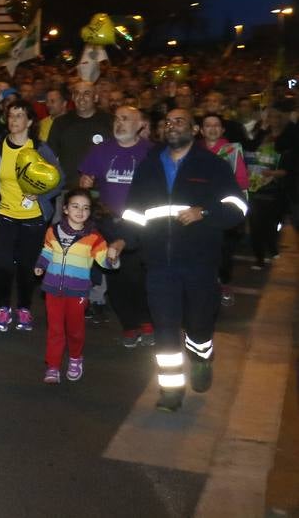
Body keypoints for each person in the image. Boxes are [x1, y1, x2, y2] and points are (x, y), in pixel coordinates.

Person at [121, 108, 247, 411]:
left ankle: (202, 354)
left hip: (199, 262)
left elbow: (238, 207)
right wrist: (121, 241)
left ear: (194, 129)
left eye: (180, 121)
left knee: (199, 323)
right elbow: (134, 212)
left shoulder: (212, 165)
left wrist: (204, 213)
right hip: (158, 263)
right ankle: (171, 391)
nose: (172, 125)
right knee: (164, 328)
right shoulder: (149, 165)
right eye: (168, 122)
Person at [0, 98, 62, 332]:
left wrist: (43, 195)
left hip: (33, 218)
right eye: (11, 115)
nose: (13, 120)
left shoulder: (40, 149)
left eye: (19, 116)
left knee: (27, 266)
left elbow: (59, 180)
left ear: (29, 121)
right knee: (3, 265)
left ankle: (24, 308)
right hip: (4, 214)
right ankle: (4, 308)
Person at [78, 105, 155, 347]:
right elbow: (85, 182)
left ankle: (146, 320)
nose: (119, 123)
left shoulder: (151, 153)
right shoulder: (101, 150)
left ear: (140, 125)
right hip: (108, 221)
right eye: (117, 119)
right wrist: (85, 182)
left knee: (139, 274)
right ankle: (129, 325)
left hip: (141, 221)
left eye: (126, 119)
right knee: (116, 275)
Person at [34, 190, 123, 383]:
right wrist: (41, 265)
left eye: (85, 208)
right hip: (52, 290)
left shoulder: (94, 237)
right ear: (65, 209)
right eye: (75, 206)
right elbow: (47, 250)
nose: (80, 211)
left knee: (75, 330)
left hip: (77, 293)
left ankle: (75, 358)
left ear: (90, 212)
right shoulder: (53, 231)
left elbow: (103, 260)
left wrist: (111, 258)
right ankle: (53, 366)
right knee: (55, 329)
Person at [200, 113, 249, 305]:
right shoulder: (194, 150)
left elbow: (242, 181)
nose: (212, 129)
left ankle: (224, 284)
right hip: (200, 207)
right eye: (207, 125)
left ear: (222, 130)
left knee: (224, 250)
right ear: (201, 130)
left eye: (216, 125)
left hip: (224, 208)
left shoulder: (231, 151)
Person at [243, 105, 293, 270]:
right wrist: (262, 131)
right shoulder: (259, 135)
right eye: (268, 117)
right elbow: (249, 149)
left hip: (275, 189)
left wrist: (272, 173)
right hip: (256, 187)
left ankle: (272, 249)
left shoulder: (287, 139)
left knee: (271, 224)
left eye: (275, 117)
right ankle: (259, 258)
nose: (272, 120)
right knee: (256, 224)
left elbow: (289, 169)